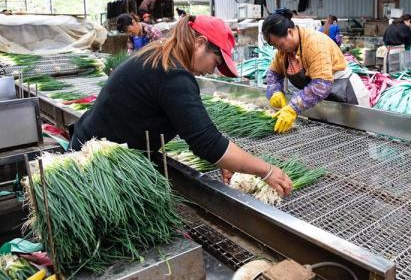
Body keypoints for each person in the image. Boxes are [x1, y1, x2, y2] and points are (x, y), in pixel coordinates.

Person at [70, 15, 292, 197]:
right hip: (94, 167)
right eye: (216, 62)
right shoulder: (173, 74)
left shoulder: (160, 53)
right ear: (200, 43)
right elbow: (207, 143)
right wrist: (267, 171)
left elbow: (196, 128)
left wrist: (222, 157)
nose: (212, 71)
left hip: (93, 148)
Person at [263, 9, 369, 133]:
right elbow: (273, 73)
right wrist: (274, 90)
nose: (278, 50)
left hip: (347, 97)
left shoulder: (314, 43)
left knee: (356, 141)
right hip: (322, 104)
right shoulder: (284, 52)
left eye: (280, 45)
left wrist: (293, 107)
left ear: (290, 32)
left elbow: (321, 85)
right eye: (276, 47)